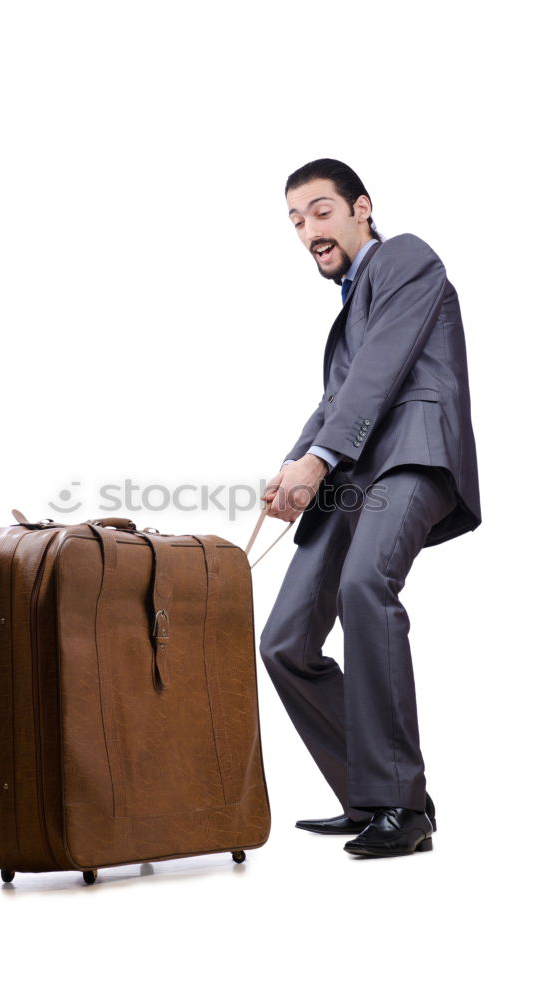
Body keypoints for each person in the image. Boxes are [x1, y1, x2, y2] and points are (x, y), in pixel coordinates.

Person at [258, 158, 481, 858]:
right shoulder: (350, 301)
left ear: (362, 207)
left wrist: (319, 461)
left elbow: (382, 370)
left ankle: (400, 804)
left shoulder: (407, 259)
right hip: (353, 474)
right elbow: (336, 400)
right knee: (285, 640)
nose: (307, 231)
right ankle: (372, 792)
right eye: (295, 220)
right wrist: (294, 469)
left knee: (363, 584)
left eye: (320, 211)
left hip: (412, 456)